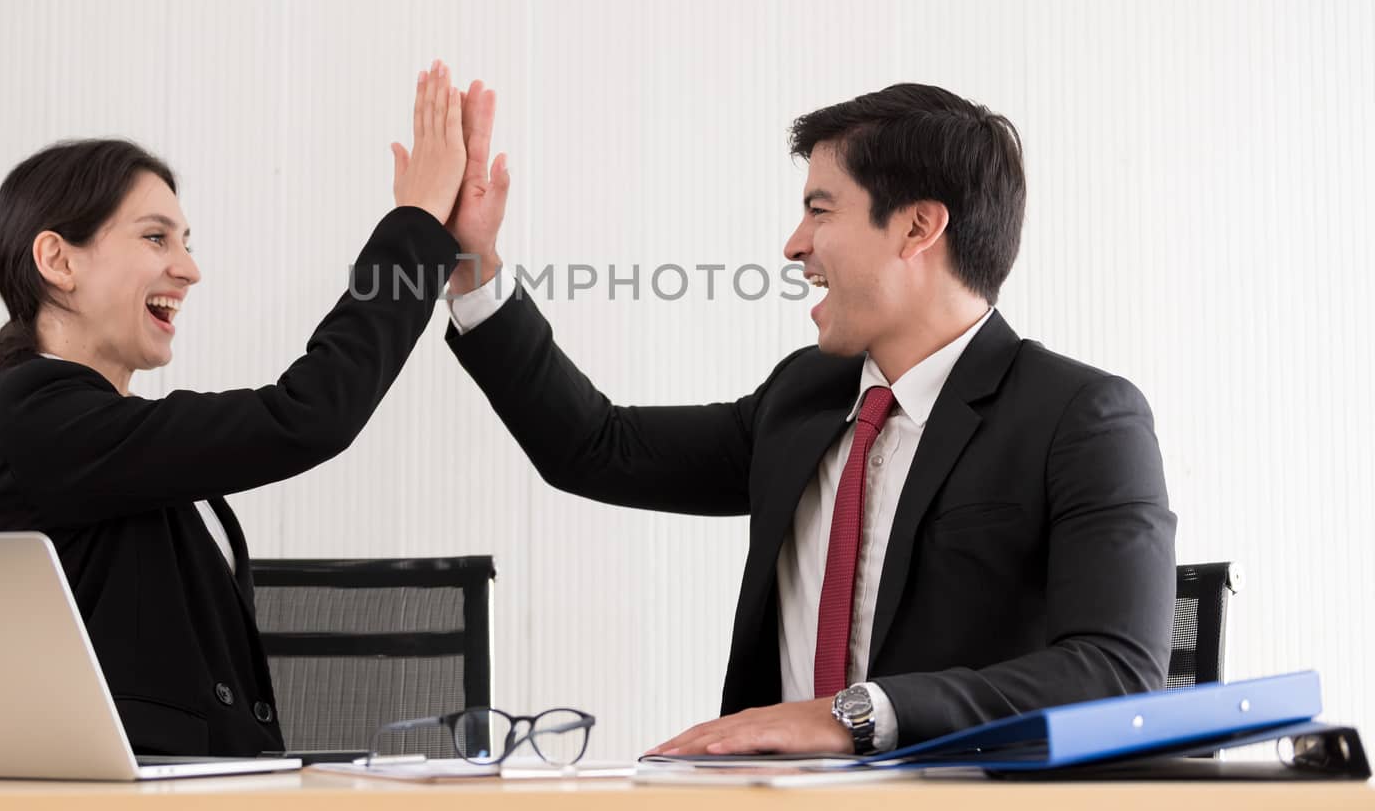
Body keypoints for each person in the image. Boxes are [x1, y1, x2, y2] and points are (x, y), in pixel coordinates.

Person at [442, 82, 1177, 755]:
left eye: (820, 209)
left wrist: (854, 715)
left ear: (918, 226)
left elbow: (1115, 673)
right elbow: (592, 447)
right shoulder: (802, 397)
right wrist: (474, 266)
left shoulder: (1080, 418)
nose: (794, 245)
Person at [0, 62, 484, 757]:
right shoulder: (35, 412)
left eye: (186, 242)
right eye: (156, 237)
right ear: (58, 261)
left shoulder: (110, 439)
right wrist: (416, 230)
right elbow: (307, 415)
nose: (189, 269)